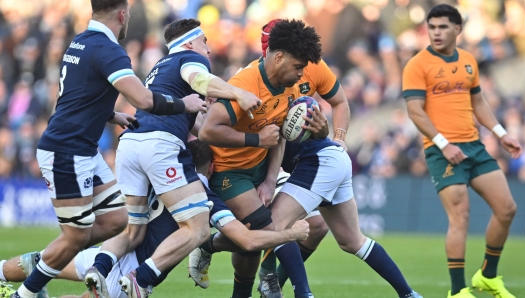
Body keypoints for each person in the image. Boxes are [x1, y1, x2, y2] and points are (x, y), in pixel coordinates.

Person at [10, 0, 208, 297]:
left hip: (83, 149)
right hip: (67, 152)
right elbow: (143, 99)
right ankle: (24, 292)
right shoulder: (110, 50)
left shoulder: (80, 42)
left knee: (117, 220)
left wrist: (111, 114)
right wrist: (185, 104)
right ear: (122, 14)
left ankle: (40, 265)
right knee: (75, 238)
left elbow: (77, 96)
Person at [83, 18, 261, 298]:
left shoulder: (159, 68)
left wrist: (212, 111)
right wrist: (238, 92)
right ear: (189, 43)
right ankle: (141, 280)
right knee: (198, 229)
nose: (209, 49)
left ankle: (99, 268)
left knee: (133, 231)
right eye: (205, 42)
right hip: (159, 144)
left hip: (130, 144)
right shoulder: (190, 58)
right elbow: (199, 78)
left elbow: (199, 130)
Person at [0, 140, 310, 298]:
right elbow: (246, 241)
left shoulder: (161, 178)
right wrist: (291, 233)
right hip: (133, 272)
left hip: (114, 250)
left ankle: (1, 274)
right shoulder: (203, 198)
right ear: (212, 169)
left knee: (43, 263)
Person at [402, 4, 521, 298]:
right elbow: (415, 112)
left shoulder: (469, 61)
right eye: (432, 27)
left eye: (443, 27)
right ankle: (457, 291)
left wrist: (501, 134)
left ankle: (488, 276)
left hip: (474, 147)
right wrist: (444, 144)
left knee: (507, 209)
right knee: (461, 216)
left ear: (458, 29)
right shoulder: (417, 65)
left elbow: (478, 102)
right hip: (441, 149)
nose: (436, 33)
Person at [199, 19, 322, 298]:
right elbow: (208, 130)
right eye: (298, 67)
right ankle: (300, 292)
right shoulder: (245, 84)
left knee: (250, 244)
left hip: (259, 168)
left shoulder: (290, 88)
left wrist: (269, 180)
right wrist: (256, 140)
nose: (301, 75)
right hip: (229, 171)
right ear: (278, 57)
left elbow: (277, 136)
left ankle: (207, 245)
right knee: (268, 230)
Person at [253, 19, 350, 297]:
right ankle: (275, 280)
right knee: (264, 231)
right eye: (265, 52)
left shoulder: (313, 66)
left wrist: (337, 138)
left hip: (298, 157)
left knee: (317, 227)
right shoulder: (253, 76)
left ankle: (272, 279)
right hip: (266, 156)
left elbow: (340, 102)